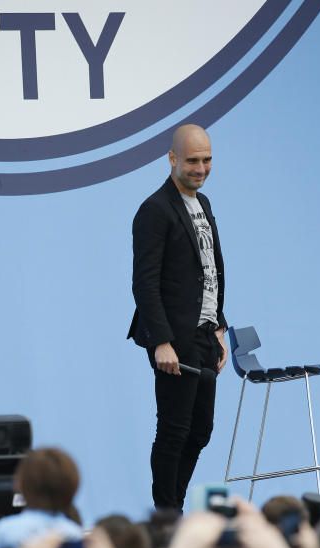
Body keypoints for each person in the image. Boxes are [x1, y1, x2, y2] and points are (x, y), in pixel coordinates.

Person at [127, 123, 227, 511]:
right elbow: (145, 283)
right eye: (192, 161)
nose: (200, 168)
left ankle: (175, 504)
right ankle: (167, 516)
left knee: (201, 429)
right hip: (174, 339)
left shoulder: (204, 204)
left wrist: (219, 326)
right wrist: (161, 341)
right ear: (171, 159)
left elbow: (209, 271)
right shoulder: (154, 210)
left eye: (207, 160)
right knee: (174, 430)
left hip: (204, 334)